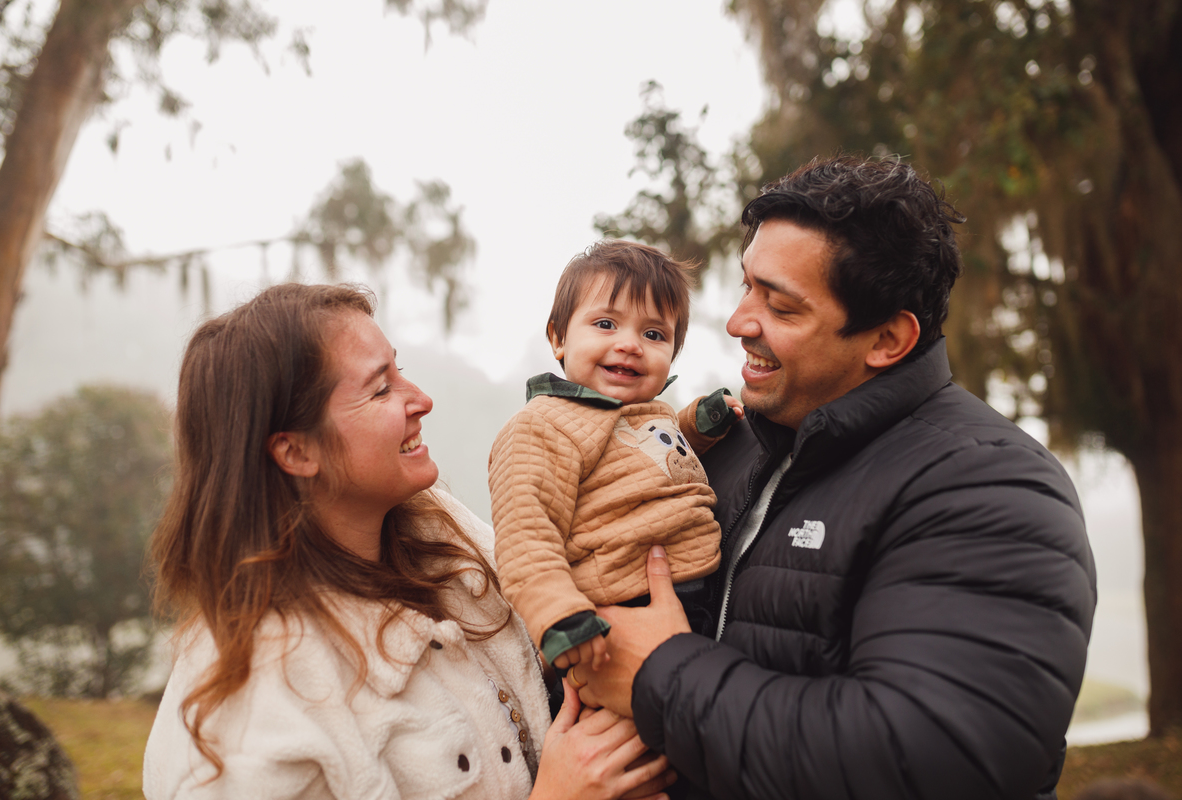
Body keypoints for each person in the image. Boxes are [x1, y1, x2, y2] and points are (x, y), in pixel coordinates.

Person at [570, 156, 1097, 800]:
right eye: (747, 287)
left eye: (782, 308)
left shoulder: (992, 487)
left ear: (886, 340)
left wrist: (660, 676)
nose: (739, 323)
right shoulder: (726, 441)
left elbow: (929, 763)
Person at [143, 283, 676, 800]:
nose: (421, 399)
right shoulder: (250, 718)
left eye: (402, 370)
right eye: (380, 388)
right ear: (296, 453)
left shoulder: (443, 531)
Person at [489, 241, 742, 677]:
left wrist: (697, 427)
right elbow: (526, 533)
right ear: (558, 338)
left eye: (654, 334)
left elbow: (651, 455)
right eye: (606, 324)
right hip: (615, 617)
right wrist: (559, 616)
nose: (630, 345)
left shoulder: (647, 412)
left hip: (707, 598)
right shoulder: (544, 425)